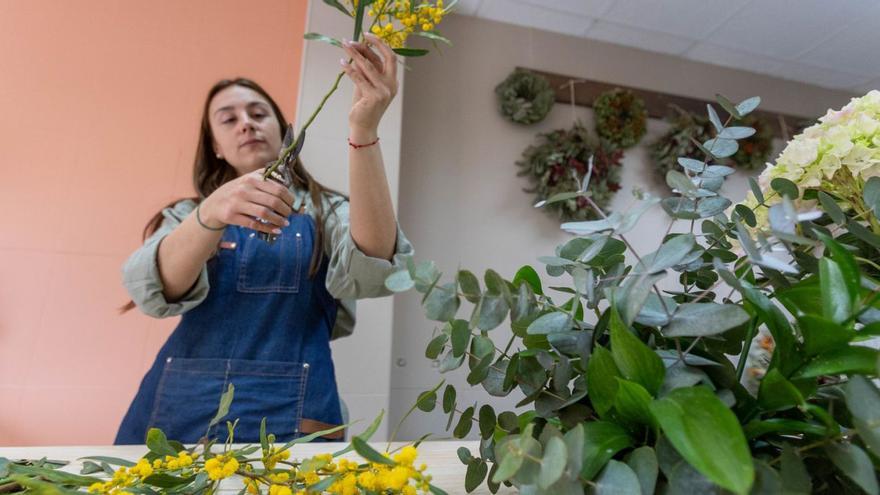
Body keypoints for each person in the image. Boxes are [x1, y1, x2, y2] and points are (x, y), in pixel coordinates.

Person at [115, 34, 412, 444]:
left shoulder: (329, 212)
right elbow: (157, 289)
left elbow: (377, 264)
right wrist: (211, 213)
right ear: (216, 147)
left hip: (295, 418)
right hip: (181, 415)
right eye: (228, 118)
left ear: (282, 130)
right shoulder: (187, 215)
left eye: (258, 113)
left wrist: (364, 128)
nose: (247, 123)